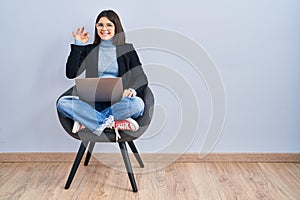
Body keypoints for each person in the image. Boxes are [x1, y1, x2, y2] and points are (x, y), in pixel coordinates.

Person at [57, 10, 148, 141]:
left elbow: (141, 77)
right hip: (93, 104)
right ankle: (112, 123)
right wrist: (78, 45)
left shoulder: (127, 49)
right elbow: (71, 73)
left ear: (116, 27)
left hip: (118, 103)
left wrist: (132, 90)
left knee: (138, 104)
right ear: (96, 27)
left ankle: (88, 121)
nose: (104, 28)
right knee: (62, 103)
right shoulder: (89, 50)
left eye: (109, 25)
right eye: (100, 25)